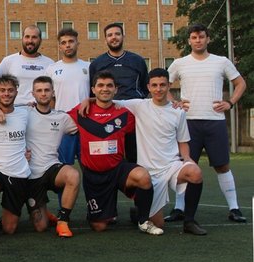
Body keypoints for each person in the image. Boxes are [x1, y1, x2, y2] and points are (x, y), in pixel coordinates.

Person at [166, 23, 248, 223]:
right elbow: (162, 85)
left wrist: (230, 102)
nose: (198, 40)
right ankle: (179, 208)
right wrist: (173, 102)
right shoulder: (179, 63)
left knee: (222, 165)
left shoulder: (221, 61)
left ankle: (234, 208)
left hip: (214, 122)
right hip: (188, 123)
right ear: (189, 41)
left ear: (207, 39)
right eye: (194, 37)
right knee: (184, 166)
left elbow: (240, 83)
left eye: (201, 37)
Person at [109, 68, 207, 235]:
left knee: (195, 172)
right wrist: (88, 100)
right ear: (148, 87)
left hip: (171, 165)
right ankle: (139, 212)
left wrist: (187, 158)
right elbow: (109, 100)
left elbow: (183, 142)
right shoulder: (139, 106)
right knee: (159, 225)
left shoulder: (178, 111)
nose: (158, 89)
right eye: (154, 85)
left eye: (162, 85)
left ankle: (189, 221)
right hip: (149, 172)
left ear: (169, 85)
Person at [68, 71, 161, 235]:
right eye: (101, 85)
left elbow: (154, 109)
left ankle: (142, 220)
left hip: (118, 169)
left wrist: (174, 103)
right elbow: (55, 120)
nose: (105, 89)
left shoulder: (125, 113)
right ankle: (106, 212)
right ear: (93, 89)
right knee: (99, 227)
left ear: (116, 89)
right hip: (94, 175)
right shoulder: (81, 111)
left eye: (109, 85)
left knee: (143, 177)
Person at [0, 75, 38, 239]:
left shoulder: (25, 114)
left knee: (9, 229)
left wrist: (28, 151)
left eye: (10, 90)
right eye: (2, 90)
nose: (6, 94)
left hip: (18, 172)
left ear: (16, 92)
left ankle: (4, 216)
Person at [25, 76, 80, 238]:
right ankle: (44, 210)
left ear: (53, 93)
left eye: (47, 90)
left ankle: (63, 221)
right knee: (41, 227)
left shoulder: (62, 118)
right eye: (39, 90)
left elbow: (84, 126)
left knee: (73, 174)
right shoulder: (23, 114)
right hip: (31, 175)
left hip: (52, 168)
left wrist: (90, 100)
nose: (43, 94)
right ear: (33, 94)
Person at [89, 23, 149, 164]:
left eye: (117, 34)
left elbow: (145, 88)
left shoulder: (137, 60)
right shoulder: (97, 63)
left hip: (134, 114)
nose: (114, 37)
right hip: (108, 114)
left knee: (134, 156)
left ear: (123, 36)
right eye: (110, 35)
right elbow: (92, 91)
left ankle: (135, 183)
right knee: (110, 155)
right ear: (105, 39)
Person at [45, 28, 90, 165]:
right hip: (63, 125)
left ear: (77, 44)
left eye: (71, 41)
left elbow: (96, 94)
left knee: (88, 166)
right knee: (64, 166)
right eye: (64, 42)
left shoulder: (89, 67)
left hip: (86, 124)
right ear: (60, 47)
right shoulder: (51, 69)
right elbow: (49, 99)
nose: (68, 45)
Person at [0, 25, 54, 106]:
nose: (30, 40)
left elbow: (54, 91)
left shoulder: (50, 63)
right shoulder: (8, 61)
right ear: (22, 39)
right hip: (15, 111)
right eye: (27, 37)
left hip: (40, 112)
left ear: (40, 40)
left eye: (34, 37)